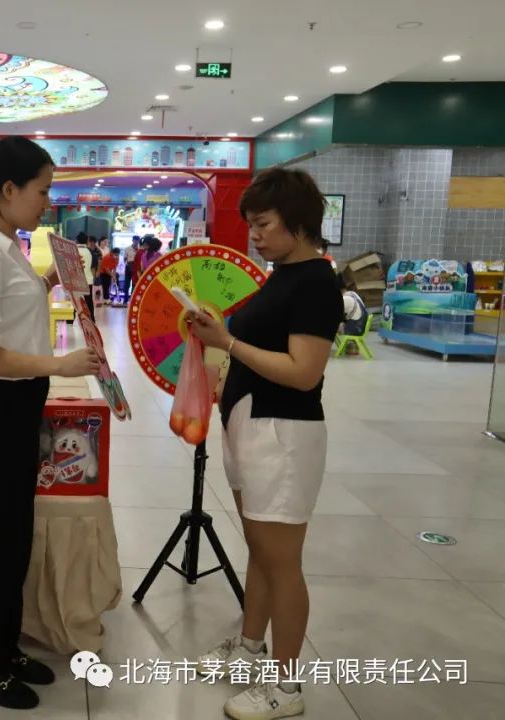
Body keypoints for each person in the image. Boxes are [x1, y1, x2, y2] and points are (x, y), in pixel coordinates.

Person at [0, 136, 99, 711]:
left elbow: (13, 317)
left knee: (13, 539)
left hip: (18, 407)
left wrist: (53, 282)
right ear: (8, 190)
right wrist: (58, 365)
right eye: (43, 190)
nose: (48, 202)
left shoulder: (8, 246)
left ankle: (4, 649)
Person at [188, 168, 342, 720]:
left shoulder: (316, 283)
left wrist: (227, 341)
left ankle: (286, 687)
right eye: (251, 224)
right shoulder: (284, 276)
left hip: (284, 434)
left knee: (282, 563)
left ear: (299, 223)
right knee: (260, 549)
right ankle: (250, 650)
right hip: (253, 426)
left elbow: (303, 372)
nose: (254, 236)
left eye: (264, 224)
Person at [75, 233, 96, 320]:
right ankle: (92, 319)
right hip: (88, 279)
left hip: (76, 280)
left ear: (76, 240)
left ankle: (72, 319)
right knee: (89, 301)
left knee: (75, 300)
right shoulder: (89, 251)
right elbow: (93, 266)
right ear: (87, 241)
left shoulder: (74, 250)